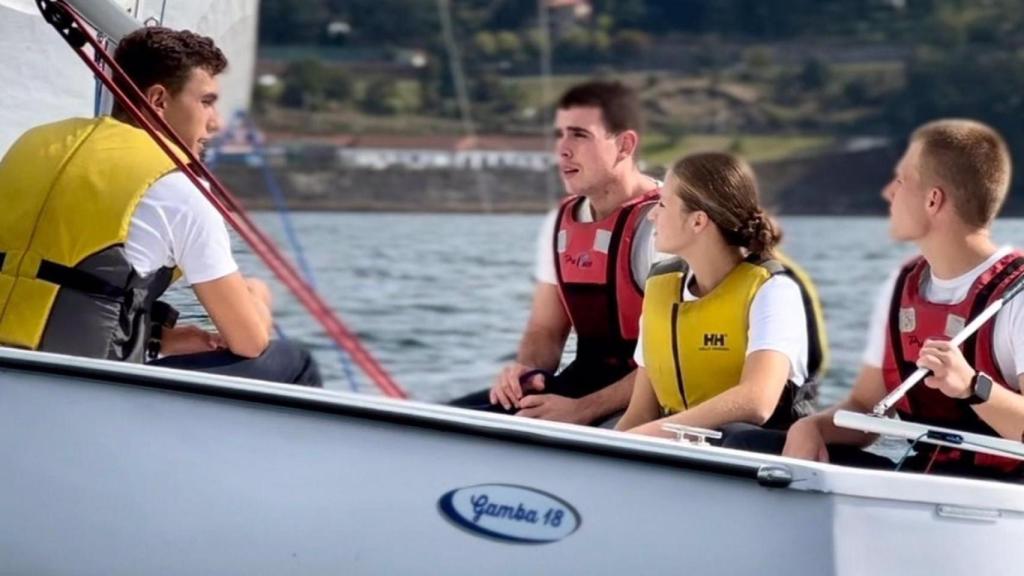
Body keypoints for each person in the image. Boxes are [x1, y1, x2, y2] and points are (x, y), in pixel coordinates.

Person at [0, 27, 320, 387]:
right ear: (157, 99)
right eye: (206, 102)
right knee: (295, 361)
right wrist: (257, 296)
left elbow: (49, 286)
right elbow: (248, 341)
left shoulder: (30, 144)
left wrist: (158, 338)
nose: (215, 123)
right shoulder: (178, 188)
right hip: (83, 390)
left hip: (12, 374)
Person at [736, 119, 1024, 482]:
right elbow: (864, 410)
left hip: (1002, 494)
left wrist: (972, 386)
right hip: (924, 480)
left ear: (933, 200)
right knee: (742, 443)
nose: (889, 192)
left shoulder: (1018, 296)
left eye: (901, 181)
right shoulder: (901, 285)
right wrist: (814, 427)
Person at [450, 80, 663, 425]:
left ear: (624, 145)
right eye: (559, 135)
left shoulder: (666, 224)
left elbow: (679, 357)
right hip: (582, 385)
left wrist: (583, 411)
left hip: (652, 400)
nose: (562, 150)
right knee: (451, 420)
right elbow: (545, 330)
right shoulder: (558, 223)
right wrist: (525, 374)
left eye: (579, 135)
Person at [615, 152, 827, 438]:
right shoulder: (660, 289)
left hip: (757, 459)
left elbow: (757, 402)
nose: (652, 214)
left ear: (698, 221)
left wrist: (654, 434)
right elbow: (640, 414)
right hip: (677, 453)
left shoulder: (773, 291)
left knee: (740, 436)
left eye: (663, 204)